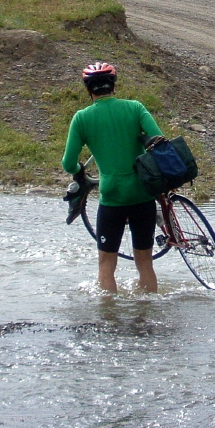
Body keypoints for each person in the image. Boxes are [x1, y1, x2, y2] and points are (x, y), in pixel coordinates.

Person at [62, 62, 163, 294]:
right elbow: (158, 139)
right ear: (113, 85)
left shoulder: (81, 118)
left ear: (89, 90)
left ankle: (109, 321)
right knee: (145, 262)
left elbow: (68, 163)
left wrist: (79, 168)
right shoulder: (135, 108)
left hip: (112, 197)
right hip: (142, 194)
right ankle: (147, 317)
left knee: (106, 264)